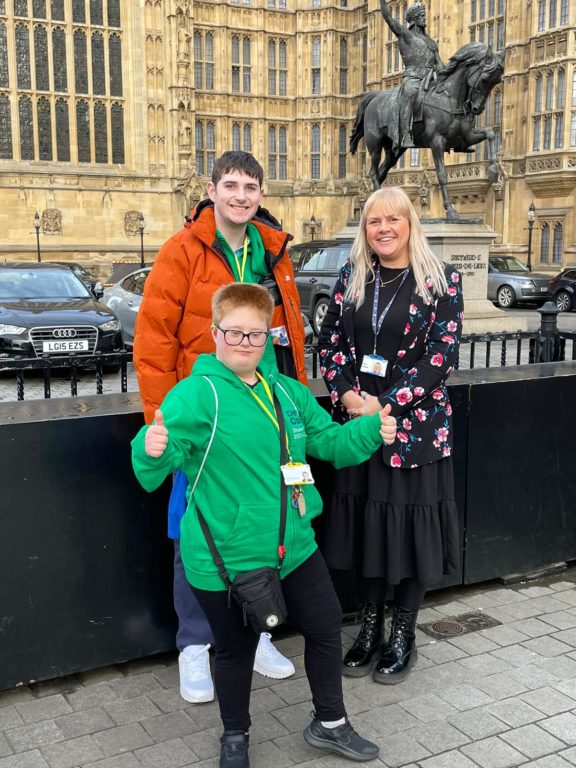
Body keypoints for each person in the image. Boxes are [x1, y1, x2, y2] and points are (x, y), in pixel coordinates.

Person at [132, 283, 397, 767]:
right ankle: (235, 737)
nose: (244, 343)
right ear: (215, 333)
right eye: (234, 332)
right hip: (226, 557)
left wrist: (369, 430)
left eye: (256, 335)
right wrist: (150, 451)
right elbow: (160, 457)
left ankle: (330, 723)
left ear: (268, 337)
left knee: (323, 630)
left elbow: (331, 443)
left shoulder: (287, 391)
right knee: (233, 651)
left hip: (294, 545)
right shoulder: (196, 394)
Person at [133, 151, 307, 703]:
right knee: (197, 530)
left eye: (249, 186)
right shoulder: (181, 251)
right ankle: (194, 645)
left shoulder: (273, 251)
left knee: (265, 521)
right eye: (229, 185)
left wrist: (294, 408)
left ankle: (256, 633)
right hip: (205, 417)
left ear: (260, 194)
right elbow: (154, 341)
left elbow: (289, 334)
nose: (240, 195)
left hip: (262, 413)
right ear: (211, 190)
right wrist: (165, 424)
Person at [318, 186, 463, 684]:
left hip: (413, 428)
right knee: (367, 532)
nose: (383, 229)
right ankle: (369, 627)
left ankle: (403, 633)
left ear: (409, 223)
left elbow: (440, 358)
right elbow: (330, 340)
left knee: (407, 535)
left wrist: (387, 403)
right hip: (359, 426)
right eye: (373, 221)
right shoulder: (352, 275)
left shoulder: (439, 280)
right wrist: (347, 396)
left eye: (392, 220)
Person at [379, 0, 444, 149]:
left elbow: (439, 64)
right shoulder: (406, 35)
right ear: (414, 19)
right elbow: (388, 17)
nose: (424, 18)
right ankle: (405, 134)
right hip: (413, 78)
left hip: (430, 79)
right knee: (409, 93)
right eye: (421, 15)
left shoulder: (431, 42)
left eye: (424, 15)